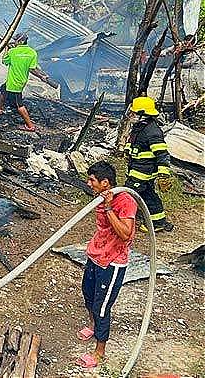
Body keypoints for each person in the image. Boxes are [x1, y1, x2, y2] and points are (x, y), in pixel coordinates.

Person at [76, 161, 136, 369]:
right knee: (88, 295)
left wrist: (109, 208)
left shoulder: (125, 201)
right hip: (95, 255)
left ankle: (100, 352)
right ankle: (93, 326)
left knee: (102, 307)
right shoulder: (101, 197)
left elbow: (126, 233)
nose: (88, 183)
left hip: (112, 262)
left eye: (92, 180)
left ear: (105, 182)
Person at [124, 96, 174, 232]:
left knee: (128, 193)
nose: (132, 115)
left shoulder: (153, 132)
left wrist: (163, 174)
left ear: (143, 114)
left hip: (143, 173)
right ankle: (158, 221)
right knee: (148, 195)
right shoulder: (139, 127)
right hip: (136, 169)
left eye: (134, 113)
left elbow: (162, 154)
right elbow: (135, 143)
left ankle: (124, 219)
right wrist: (128, 151)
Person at [0, 33, 38, 132]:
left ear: (20, 41)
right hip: (21, 80)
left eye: (16, 40)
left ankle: (30, 126)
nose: (15, 42)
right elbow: (32, 68)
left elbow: (4, 61)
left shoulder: (12, 51)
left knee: (19, 105)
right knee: (3, 89)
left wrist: (6, 49)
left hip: (14, 82)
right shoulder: (32, 52)